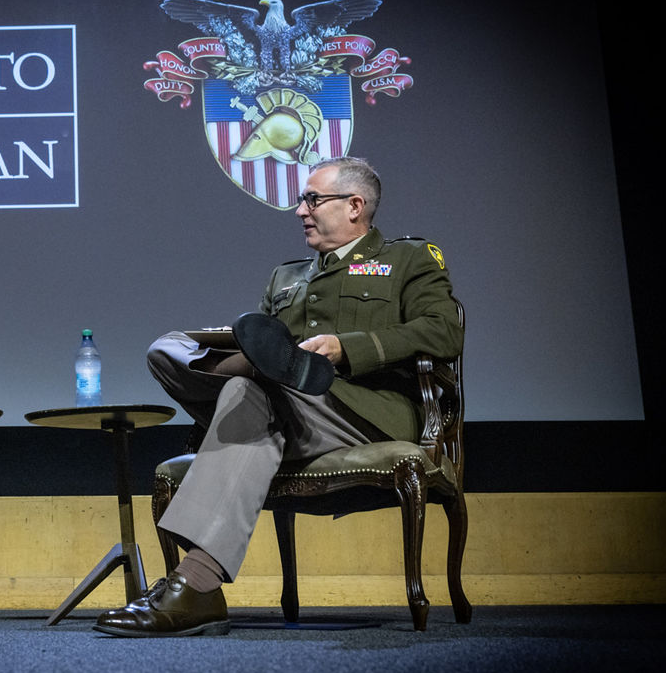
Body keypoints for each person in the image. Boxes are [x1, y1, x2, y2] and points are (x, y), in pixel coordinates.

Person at [95, 156, 463, 637]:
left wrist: (345, 349)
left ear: (355, 206)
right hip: (285, 412)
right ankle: (196, 584)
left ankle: (193, 588)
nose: (300, 210)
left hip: (362, 413)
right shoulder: (286, 277)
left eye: (312, 199)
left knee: (250, 388)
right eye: (301, 200)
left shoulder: (409, 259)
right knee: (169, 351)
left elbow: (443, 330)